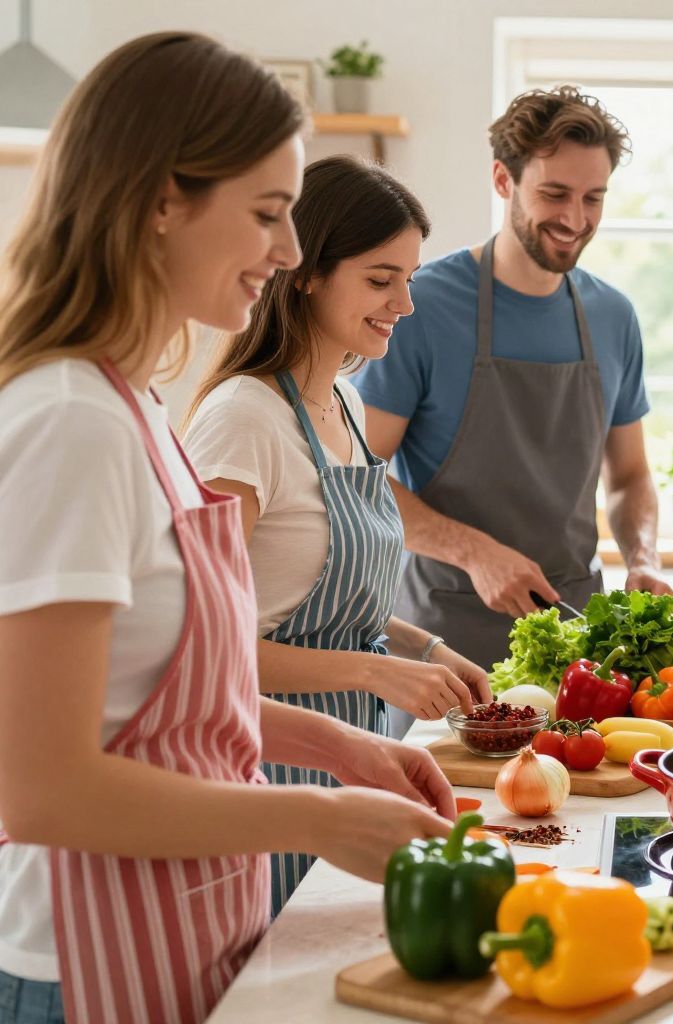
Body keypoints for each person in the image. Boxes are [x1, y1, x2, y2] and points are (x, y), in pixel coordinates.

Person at [0, 34, 453, 1024]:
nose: (290, 253)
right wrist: (318, 811)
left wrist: (337, 747)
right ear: (164, 200)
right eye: (267, 214)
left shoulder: (132, 406)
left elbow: (163, 704)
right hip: (84, 956)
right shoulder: (70, 418)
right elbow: (43, 787)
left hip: (180, 922)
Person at [181, 155, 490, 915]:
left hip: (351, 761)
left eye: (409, 279)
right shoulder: (242, 421)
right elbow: (203, 652)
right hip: (264, 778)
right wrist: (375, 674)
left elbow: (309, 595)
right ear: (306, 272)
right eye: (381, 279)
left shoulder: (345, 406)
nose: (405, 304)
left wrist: (426, 650)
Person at [355, 86, 669, 671]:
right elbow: (362, 477)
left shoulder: (613, 315)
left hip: (580, 642)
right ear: (503, 180)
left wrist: (643, 558)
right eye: (555, 194)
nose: (575, 219)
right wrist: (475, 553)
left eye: (593, 198)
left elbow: (628, 475)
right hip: (445, 639)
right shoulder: (419, 305)